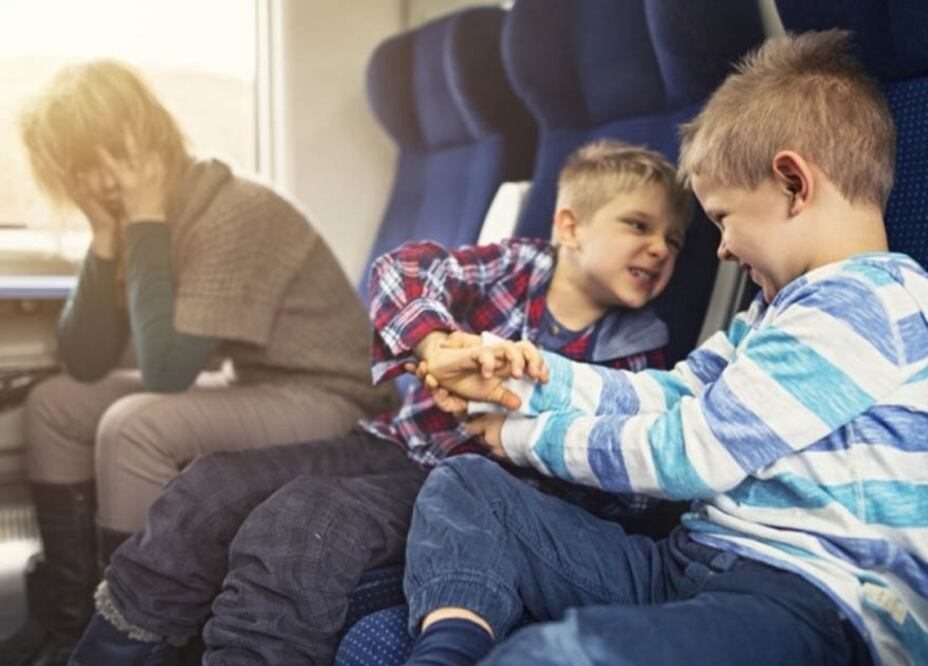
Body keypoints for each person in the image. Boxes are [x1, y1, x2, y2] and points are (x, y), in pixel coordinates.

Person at [385, 30, 928, 666]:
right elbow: (670, 393)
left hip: (812, 601)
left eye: (722, 218)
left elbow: (696, 451)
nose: (720, 248)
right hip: (692, 569)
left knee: (558, 656)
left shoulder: (867, 306)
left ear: (793, 184)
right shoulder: (774, 312)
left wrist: (521, 436)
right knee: (467, 486)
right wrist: (523, 381)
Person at [68, 139, 694, 665]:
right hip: (391, 442)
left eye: (674, 240)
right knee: (208, 489)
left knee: (304, 522)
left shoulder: (637, 352)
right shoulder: (513, 268)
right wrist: (435, 343)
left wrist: (524, 431)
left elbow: (627, 489)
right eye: (638, 225)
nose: (661, 248)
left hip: (461, 486)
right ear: (569, 228)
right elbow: (404, 269)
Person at [3, 60, 398, 664]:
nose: (106, 179)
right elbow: (82, 359)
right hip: (255, 381)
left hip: (329, 393)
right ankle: (68, 617)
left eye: (116, 152)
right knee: (56, 403)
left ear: (152, 135)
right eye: (85, 167)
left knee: (136, 425)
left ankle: (136, 637)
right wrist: (105, 239)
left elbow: (165, 372)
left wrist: (142, 223)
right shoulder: (143, 223)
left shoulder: (234, 210)